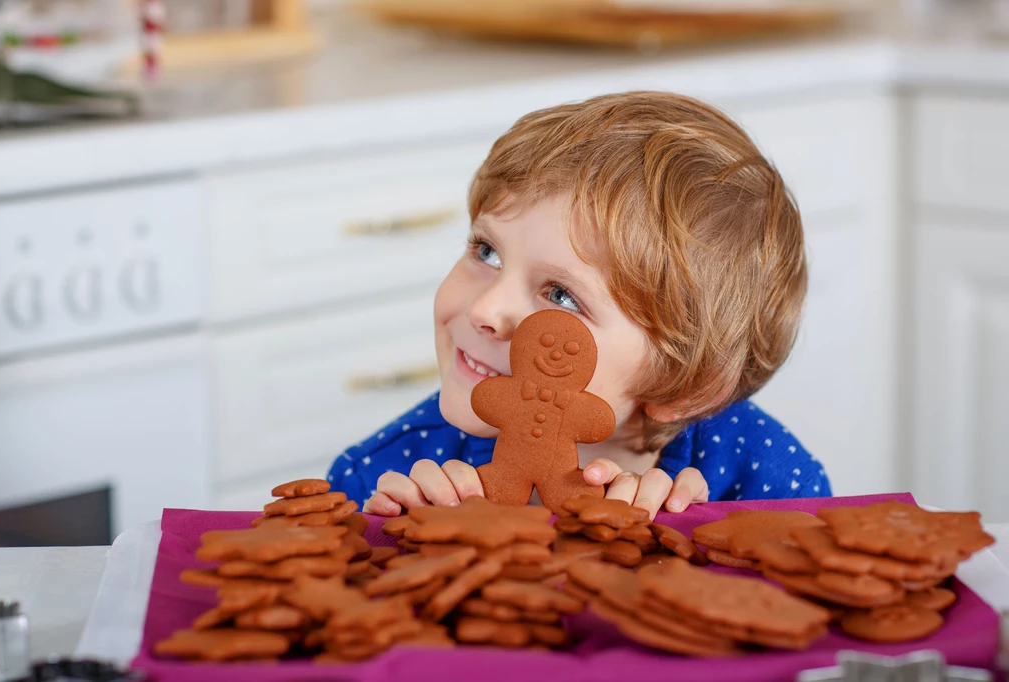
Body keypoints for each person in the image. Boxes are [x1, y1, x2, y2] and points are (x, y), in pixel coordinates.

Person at [327, 91, 831, 520]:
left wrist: (690, 544)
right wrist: (390, 552)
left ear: (689, 385)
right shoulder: (377, 479)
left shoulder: (770, 486)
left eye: (562, 296)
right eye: (487, 251)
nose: (485, 309)